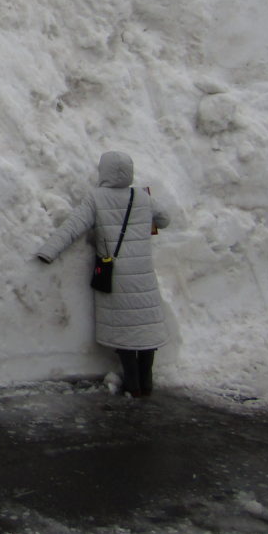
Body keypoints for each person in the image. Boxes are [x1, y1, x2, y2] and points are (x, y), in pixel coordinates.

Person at [35, 151, 171, 397]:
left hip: (116, 274)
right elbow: (164, 219)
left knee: (126, 332)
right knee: (144, 330)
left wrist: (48, 251)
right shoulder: (141, 196)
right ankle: (146, 382)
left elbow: (73, 227)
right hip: (144, 276)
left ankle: (133, 385)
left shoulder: (97, 199)